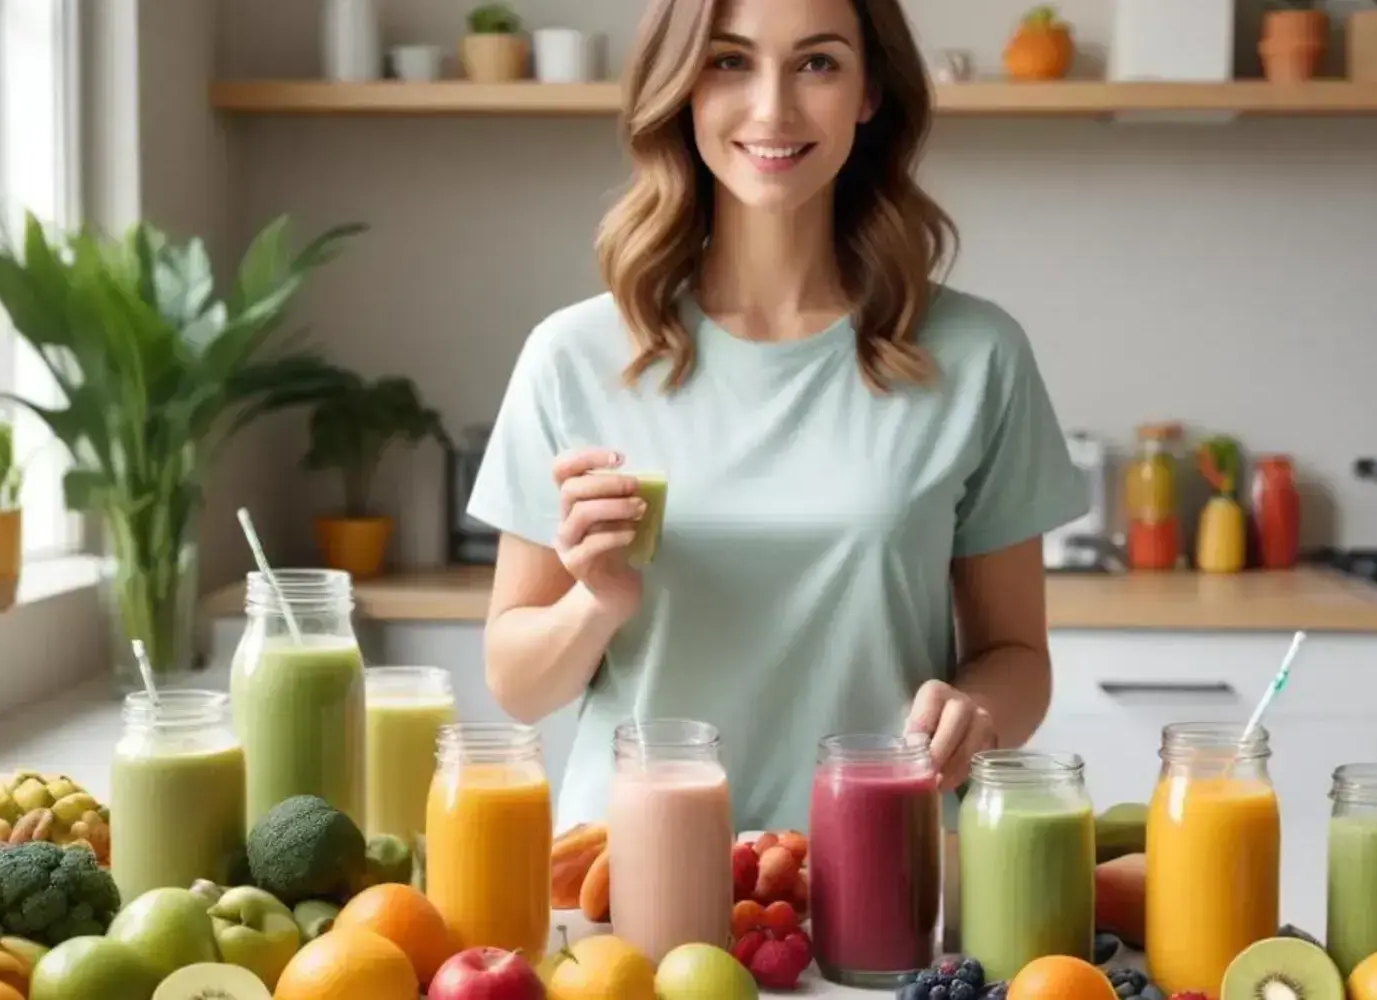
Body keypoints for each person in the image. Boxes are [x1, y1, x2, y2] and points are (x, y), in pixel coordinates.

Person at [467, 0, 1089, 835]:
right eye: (729, 62)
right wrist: (597, 601)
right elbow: (517, 683)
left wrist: (978, 713)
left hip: (888, 887)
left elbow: (1019, 657)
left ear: (870, 91)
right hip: (632, 886)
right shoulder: (573, 355)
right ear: (681, 87)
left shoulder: (978, 354)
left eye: (818, 63)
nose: (772, 108)